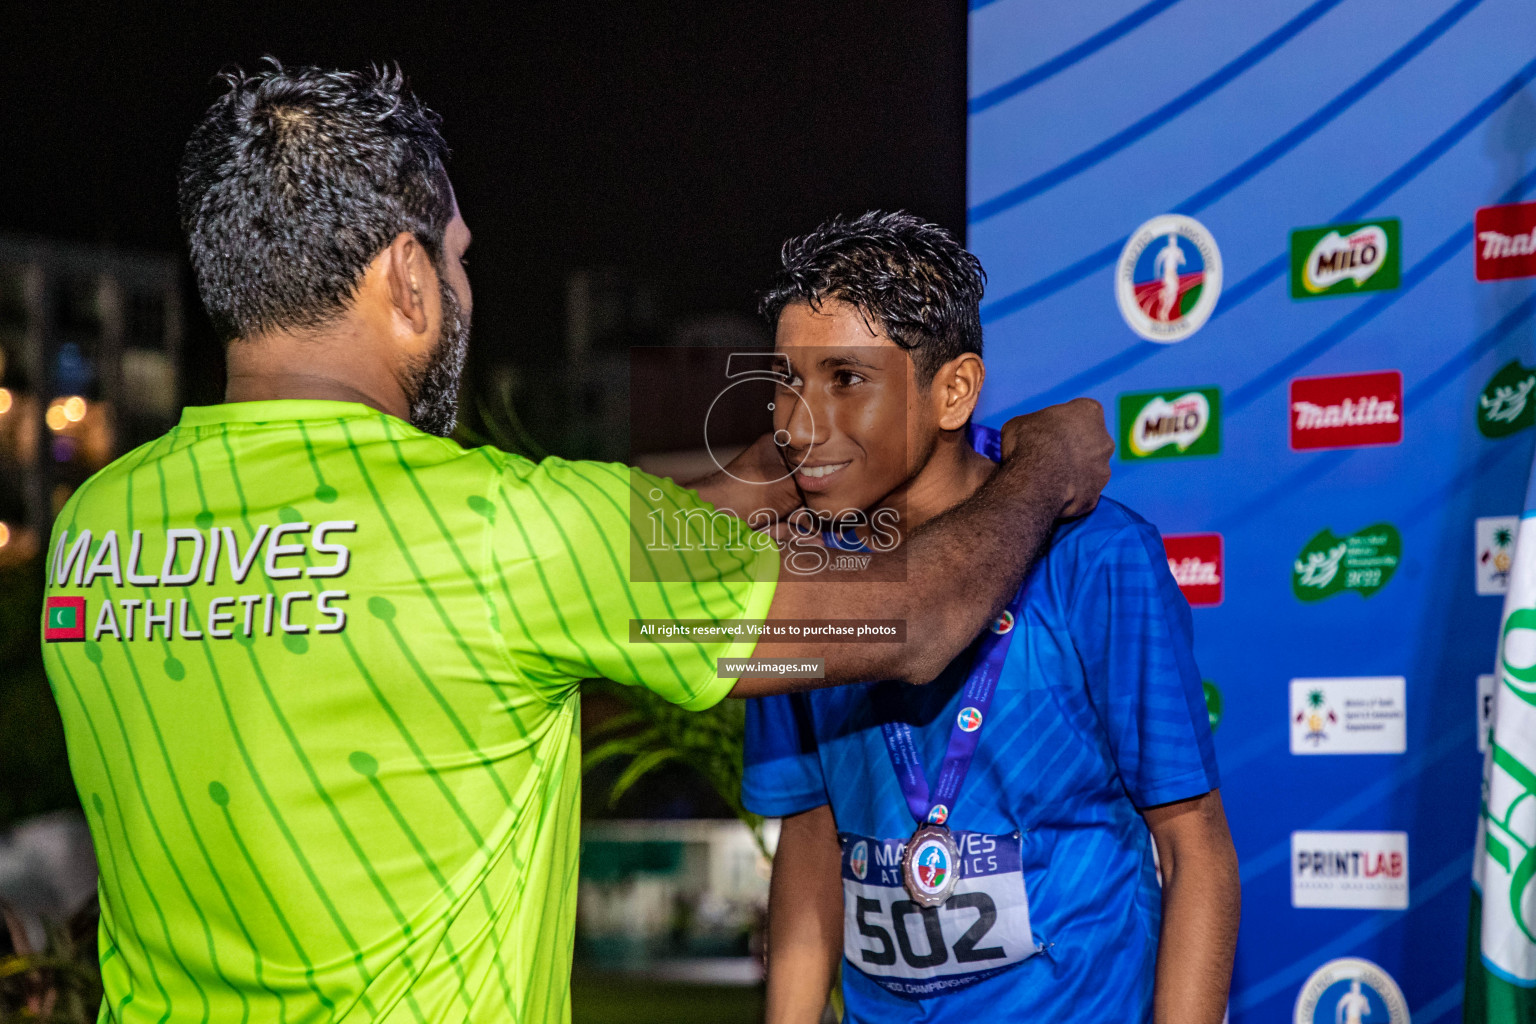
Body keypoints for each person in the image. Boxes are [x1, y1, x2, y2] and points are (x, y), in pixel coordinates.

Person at [37, 64, 1113, 1023]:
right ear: (407, 282)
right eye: (457, 259)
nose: (465, 287)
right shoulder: (510, 533)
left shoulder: (94, 529)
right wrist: (1047, 468)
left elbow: (593, 527)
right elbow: (912, 620)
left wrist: (790, 468)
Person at [743, 212, 1241, 1024]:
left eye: (846, 379)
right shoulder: (790, 580)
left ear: (953, 391)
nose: (799, 425)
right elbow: (809, 841)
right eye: (787, 381)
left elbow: (1196, 849)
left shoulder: (1099, 556)